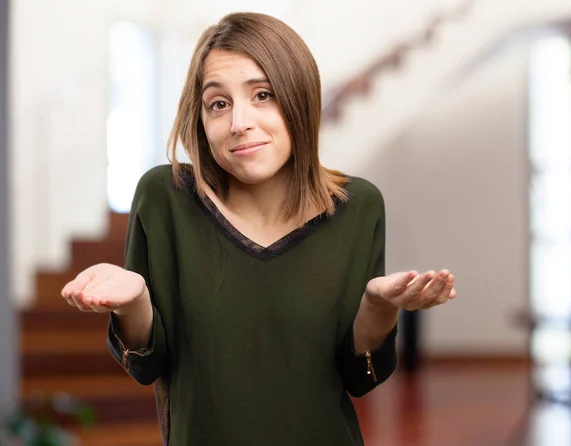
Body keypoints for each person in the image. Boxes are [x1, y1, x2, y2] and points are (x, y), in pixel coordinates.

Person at [61, 11, 456, 446]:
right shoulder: (164, 197)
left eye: (262, 94)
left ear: (299, 96)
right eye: (218, 103)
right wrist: (134, 301)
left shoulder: (357, 207)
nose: (239, 123)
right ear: (201, 118)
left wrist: (378, 307)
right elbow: (146, 365)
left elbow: (358, 377)